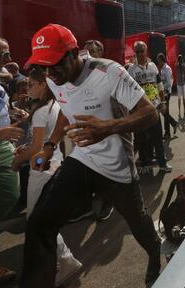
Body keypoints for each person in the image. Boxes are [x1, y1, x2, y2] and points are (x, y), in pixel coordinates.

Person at [20, 24, 161, 288]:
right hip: (83, 160)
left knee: (138, 223)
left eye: (55, 65)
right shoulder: (54, 77)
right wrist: (50, 145)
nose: (50, 74)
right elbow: (65, 107)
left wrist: (109, 127)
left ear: (74, 53)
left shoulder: (109, 72)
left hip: (117, 166)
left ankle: (155, 253)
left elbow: (150, 113)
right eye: (45, 68)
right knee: (39, 222)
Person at [11, 67, 82, 286]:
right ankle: (62, 261)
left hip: (41, 170)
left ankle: (65, 261)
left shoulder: (42, 111)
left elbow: (36, 148)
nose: (27, 87)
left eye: (31, 84)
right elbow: (44, 143)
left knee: (36, 221)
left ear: (43, 85)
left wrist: (16, 161)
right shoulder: (54, 106)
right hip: (52, 163)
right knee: (41, 221)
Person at [0, 36, 26, 285]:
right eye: (3, 54)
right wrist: (0, 133)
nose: (9, 59)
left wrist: (12, 111)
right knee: (9, 193)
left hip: (3, 144)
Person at [128, 41, 172, 174]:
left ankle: (162, 163)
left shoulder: (153, 66)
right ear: (135, 53)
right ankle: (145, 164)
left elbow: (159, 86)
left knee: (157, 137)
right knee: (141, 138)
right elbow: (129, 91)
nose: (140, 54)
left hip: (155, 108)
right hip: (140, 110)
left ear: (146, 51)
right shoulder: (131, 70)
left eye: (142, 50)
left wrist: (163, 103)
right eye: (137, 51)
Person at [82, 39, 114, 222]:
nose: (88, 55)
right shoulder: (81, 74)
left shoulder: (108, 71)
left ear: (100, 52)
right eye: (86, 52)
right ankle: (91, 200)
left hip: (107, 127)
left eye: (92, 51)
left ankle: (108, 202)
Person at [157, 53, 178, 139]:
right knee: (164, 113)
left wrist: (163, 89)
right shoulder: (161, 69)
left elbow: (169, 82)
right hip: (162, 93)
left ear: (162, 60)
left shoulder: (167, 69)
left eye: (158, 60)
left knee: (164, 112)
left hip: (166, 93)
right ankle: (173, 124)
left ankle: (167, 133)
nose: (158, 62)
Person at [176, 54, 185, 120]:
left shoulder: (181, 65)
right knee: (181, 98)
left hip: (182, 84)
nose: (180, 60)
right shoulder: (178, 65)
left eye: (181, 58)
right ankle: (181, 111)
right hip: (180, 84)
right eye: (180, 58)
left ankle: (183, 111)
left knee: (182, 98)